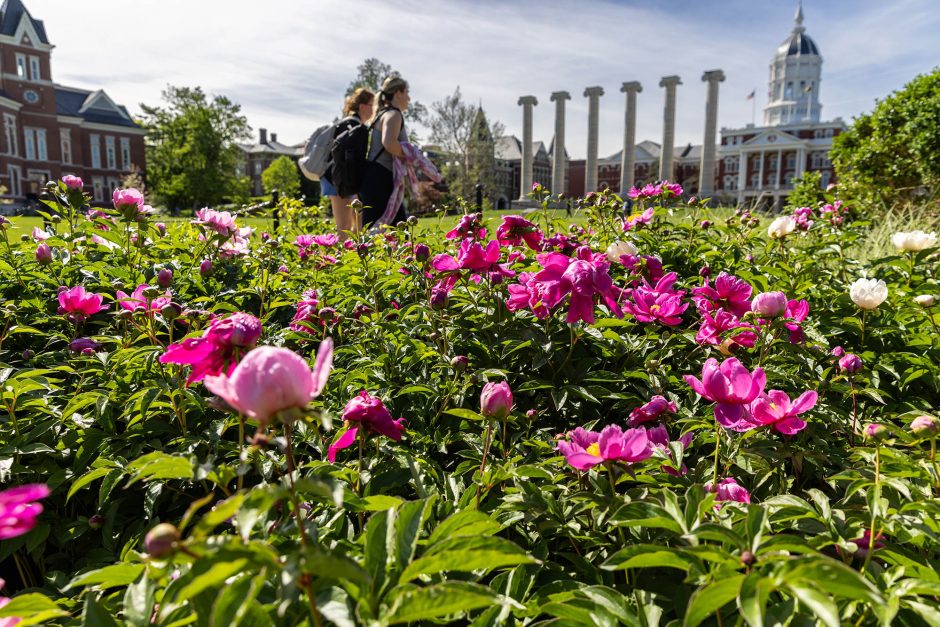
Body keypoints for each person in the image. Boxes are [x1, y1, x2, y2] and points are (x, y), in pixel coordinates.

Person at [321, 87, 374, 240]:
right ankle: (342, 259)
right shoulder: (351, 125)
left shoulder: (350, 125)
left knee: (357, 223)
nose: (374, 110)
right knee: (344, 228)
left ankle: (354, 255)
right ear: (363, 106)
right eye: (373, 105)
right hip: (339, 179)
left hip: (341, 178)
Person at [359, 76, 410, 229]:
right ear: (398, 93)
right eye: (407, 92)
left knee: (376, 232)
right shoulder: (393, 114)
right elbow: (389, 143)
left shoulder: (381, 114)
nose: (409, 97)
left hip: (375, 178)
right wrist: (411, 154)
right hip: (382, 179)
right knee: (400, 232)